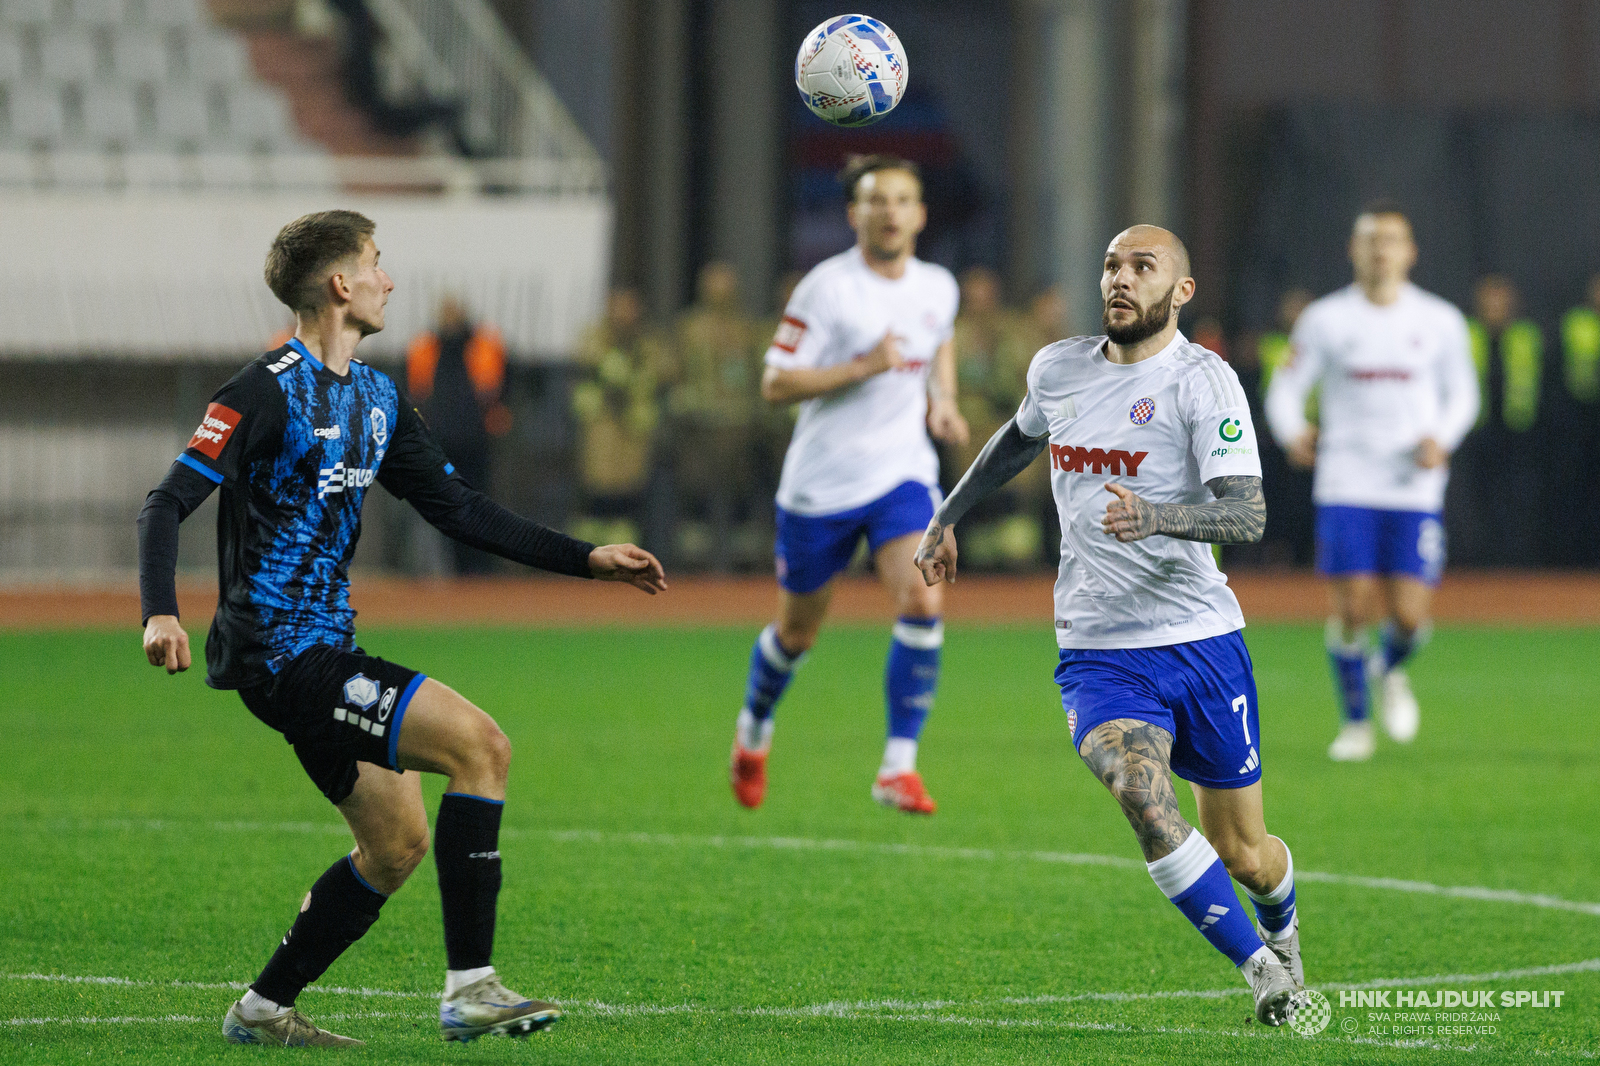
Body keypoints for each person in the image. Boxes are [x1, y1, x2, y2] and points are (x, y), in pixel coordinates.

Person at [137, 210, 666, 1047]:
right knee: (481, 747)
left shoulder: (378, 399)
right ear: (341, 284)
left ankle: (264, 1010)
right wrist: (159, 608)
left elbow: (458, 509)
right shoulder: (263, 389)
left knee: (395, 847)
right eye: (377, 263)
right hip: (281, 655)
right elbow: (168, 499)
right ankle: (471, 988)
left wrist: (587, 557)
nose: (390, 278)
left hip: (325, 650)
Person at [914, 225, 1300, 1025]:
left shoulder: (1206, 382)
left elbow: (1250, 513)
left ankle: (1282, 926)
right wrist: (948, 514)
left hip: (1201, 643)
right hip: (1099, 649)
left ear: (1180, 291)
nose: (1120, 279)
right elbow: (1015, 443)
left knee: (1245, 855)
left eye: (1142, 267)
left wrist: (1157, 515)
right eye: (1111, 266)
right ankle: (1260, 970)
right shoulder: (1058, 368)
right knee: (1139, 790)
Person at [729, 155, 969, 815]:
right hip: (821, 486)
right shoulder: (826, 289)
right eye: (875, 200)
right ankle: (754, 727)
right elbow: (775, 383)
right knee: (797, 634)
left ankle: (898, 767)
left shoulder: (938, 286)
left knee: (923, 601)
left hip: (902, 475)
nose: (889, 211)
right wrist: (863, 366)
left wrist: (941, 401)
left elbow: (938, 343)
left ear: (919, 214)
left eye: (901, 199)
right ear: (853, 215)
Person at [1265, 205, 1478, 762]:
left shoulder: (1440, 321)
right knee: (1353, 608)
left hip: (1413, 483)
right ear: (1352, 251)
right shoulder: (1326, 320)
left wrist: (1443, 437)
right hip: (1346, 480)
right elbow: (1285, 388)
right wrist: (1292, 430)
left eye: (1391, 240)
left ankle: (1390, 669)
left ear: (1410, 252)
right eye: (1370, 240)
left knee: (1409, 616)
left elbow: (1464, 395)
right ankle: (1356, 724)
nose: (1380, 250)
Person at [406, 295, 510, 574]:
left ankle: (478, 568)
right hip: (439, 443)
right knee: (444, 505)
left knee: (478, 502)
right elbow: (415, 392)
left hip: (476, 441)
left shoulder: (485, 343)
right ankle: (446, 571)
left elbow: (503, 385)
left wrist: (496, 419)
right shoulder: (424, 347)